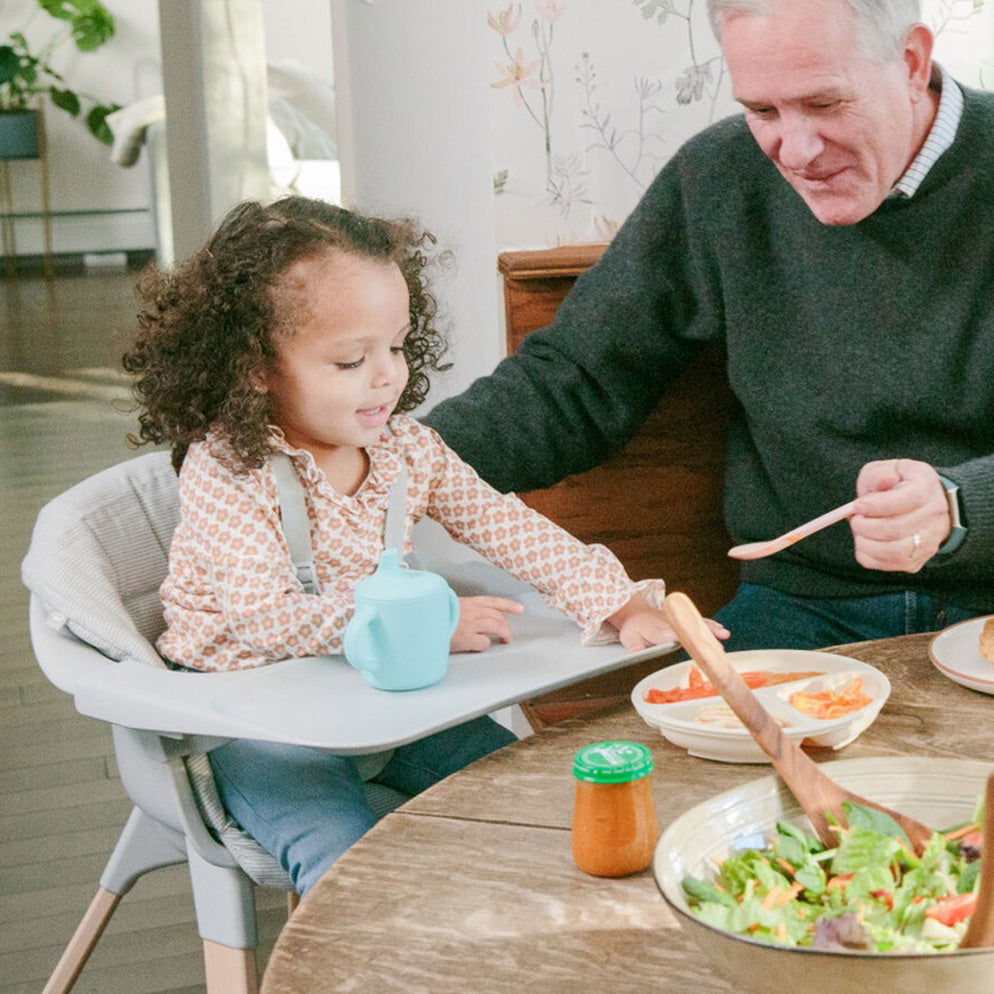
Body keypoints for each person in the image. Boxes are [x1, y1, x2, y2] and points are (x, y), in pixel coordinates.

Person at [122, 195, 715, 896]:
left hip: (380, 697)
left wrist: (615, 602)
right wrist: (425, 621)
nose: (387, 377)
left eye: (397, 347)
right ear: (254, 366)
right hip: (256, 715)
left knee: (536, 796)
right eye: (350, 360)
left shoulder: (407, 449)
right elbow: (263, 616)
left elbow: (506, 526)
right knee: (342, 866)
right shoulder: (228, 467)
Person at [426, 0, 994, 651]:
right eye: (762, 111)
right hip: (802, 602)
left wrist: (956, 508)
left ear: (911, 62)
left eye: (824, 104)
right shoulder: (719, 176)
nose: (793, 151)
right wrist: (392, 465)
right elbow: (579, 380)